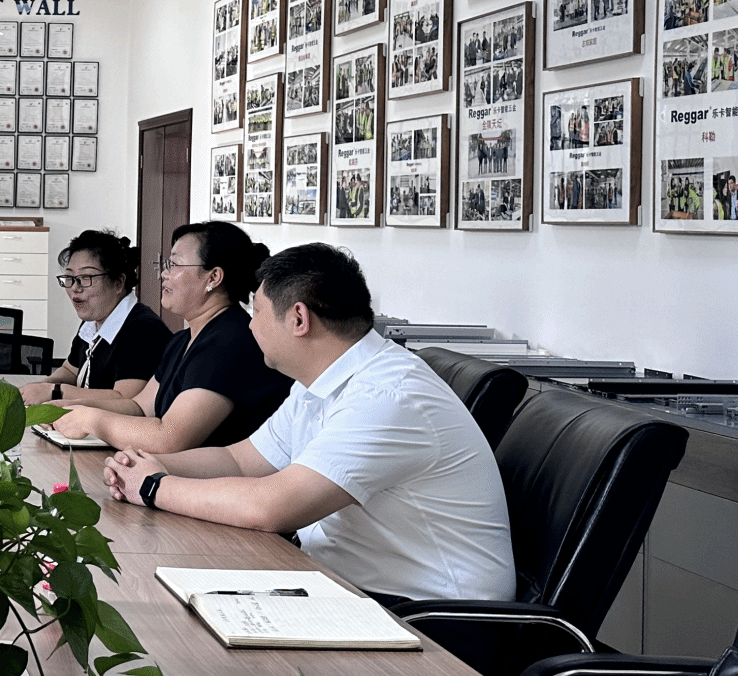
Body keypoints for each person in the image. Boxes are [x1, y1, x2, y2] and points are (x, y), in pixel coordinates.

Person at [100, 243, 514, 602]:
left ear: (298, 319)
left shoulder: (387, 397)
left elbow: (272, 506)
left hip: (432, 619)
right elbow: (241, 460)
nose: (249, 325)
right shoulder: (319, 381)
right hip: (341, 585)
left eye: (257, 312)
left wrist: (154, 487)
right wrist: (147, 464)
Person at [50, 221, 289, 454]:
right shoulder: (183, 340)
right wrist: (69, 408)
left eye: (174, 265)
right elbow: (139, 407)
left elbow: (169, 437)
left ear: (213, 277)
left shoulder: (229, 342)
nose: (164, 274)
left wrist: (92, 420)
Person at [25, 229, 170, 412]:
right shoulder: (93, 321)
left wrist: (55, 391)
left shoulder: (142, 329)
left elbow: (126, 400)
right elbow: (70, 370)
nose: (75, 288)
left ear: (118, 283)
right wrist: (41, 386)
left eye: (86, 278)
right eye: (69, 278)